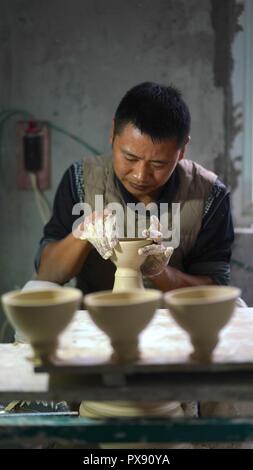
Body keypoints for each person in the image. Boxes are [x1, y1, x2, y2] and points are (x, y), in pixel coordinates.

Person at [34, 82, 236, 448]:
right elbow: (48, 273)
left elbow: (215, 291)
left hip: (176, 327)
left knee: (232, 351)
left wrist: (159, 271)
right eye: (129, 157)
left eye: (158, 163)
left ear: (182, 148)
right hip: (96, 320)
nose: (141, 174)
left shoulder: (209, 194)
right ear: (112, 133)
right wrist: (82, 233)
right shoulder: (80, 180)